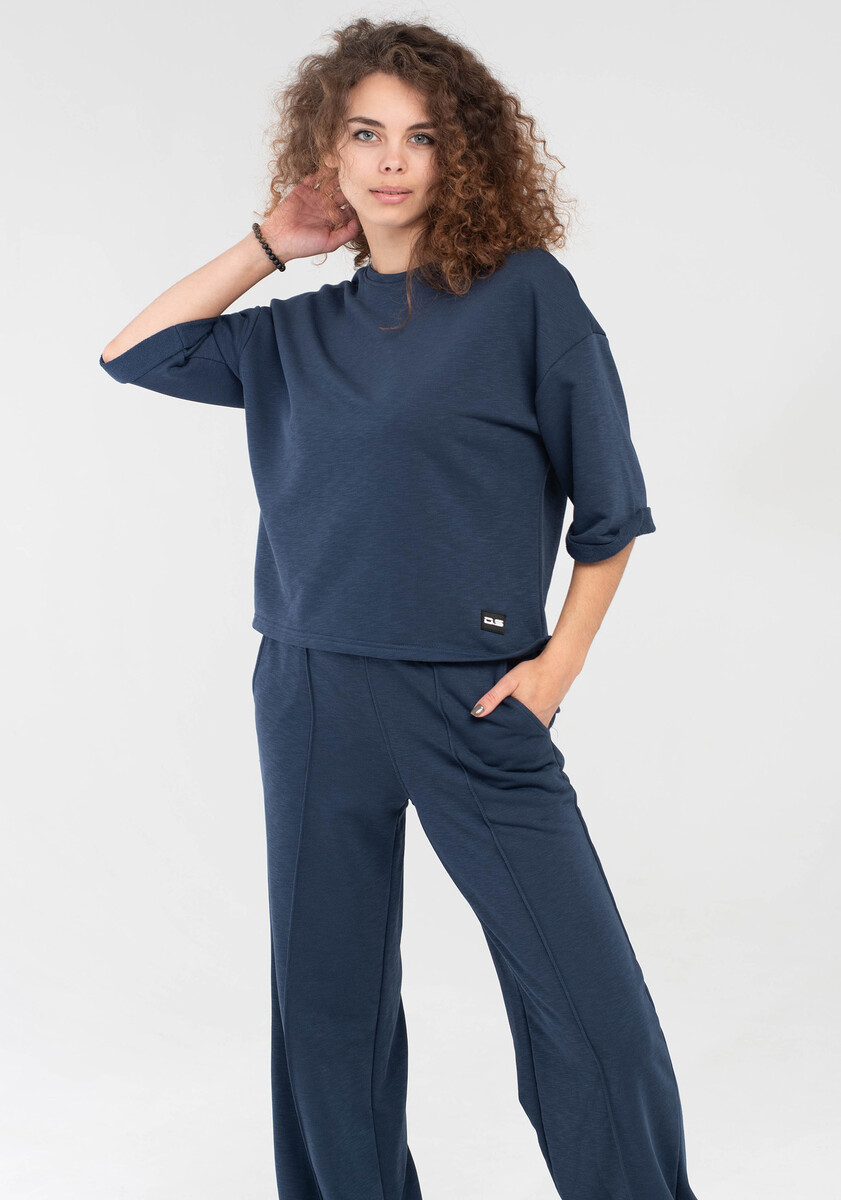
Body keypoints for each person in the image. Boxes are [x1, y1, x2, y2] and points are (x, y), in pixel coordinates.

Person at [99, 18, 700, 1200]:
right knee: (326, 1009)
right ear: (326, 150)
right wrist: (271, 245)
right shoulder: (298, 331)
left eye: (419, 137)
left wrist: (556, 671)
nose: (389, 159)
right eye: (365, 133)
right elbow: (136, 353)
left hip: (473, 696)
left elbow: (610, 511)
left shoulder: (525, 297)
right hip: (310, 687)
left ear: (457, 154)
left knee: (590, 1012)